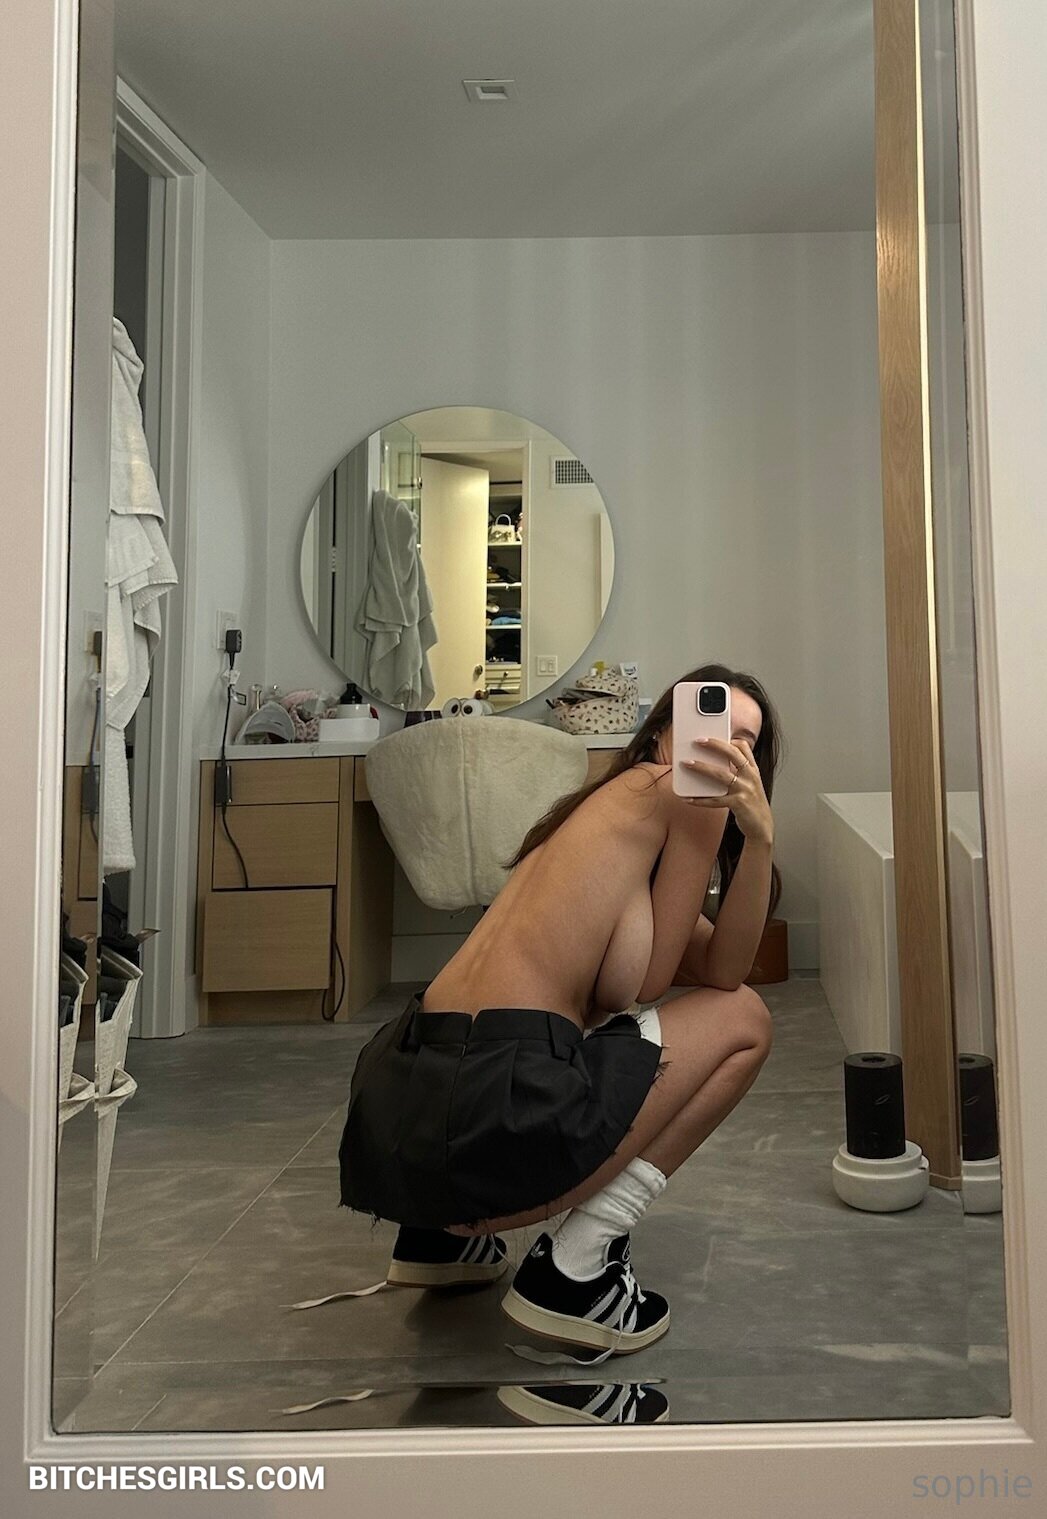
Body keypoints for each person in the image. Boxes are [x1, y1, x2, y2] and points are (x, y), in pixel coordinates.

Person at [338, 660, 782, 1373]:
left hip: (400, 1122)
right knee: (747, 1022)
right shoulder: (677, 792)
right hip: (487, 1108)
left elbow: (721, 965)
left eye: (744, 741)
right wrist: (739, 832)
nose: (720, 747)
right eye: (710, 722)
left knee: (639, 1016)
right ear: (663, 734)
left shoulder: (602, 812)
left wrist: (757, 840)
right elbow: (676, 985)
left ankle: (438, 1240)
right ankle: (575, 1271)